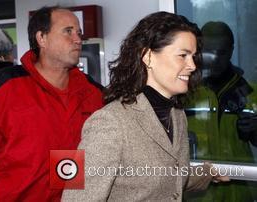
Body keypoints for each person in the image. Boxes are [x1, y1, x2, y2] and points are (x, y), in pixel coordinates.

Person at [62, 12, 228, 202]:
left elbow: (165, 177)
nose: (192, 65)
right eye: (183, 55)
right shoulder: (110, 122)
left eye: (193, 56)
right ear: (147, 57)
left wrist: (207, 173)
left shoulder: (176, 115)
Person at [0, 6, 103, 201]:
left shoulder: (93, 93)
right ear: (41, 38)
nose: (78, 39)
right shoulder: (3, 87)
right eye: (68, 31)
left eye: (79, 32)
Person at [185, 21, 257, 201]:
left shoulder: (251, 93)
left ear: (231, 50)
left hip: (240, 192)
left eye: (222, 52)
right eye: (209, 51)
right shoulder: (184, 92)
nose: (215, 59)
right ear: (199, 50)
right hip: (197, 195)